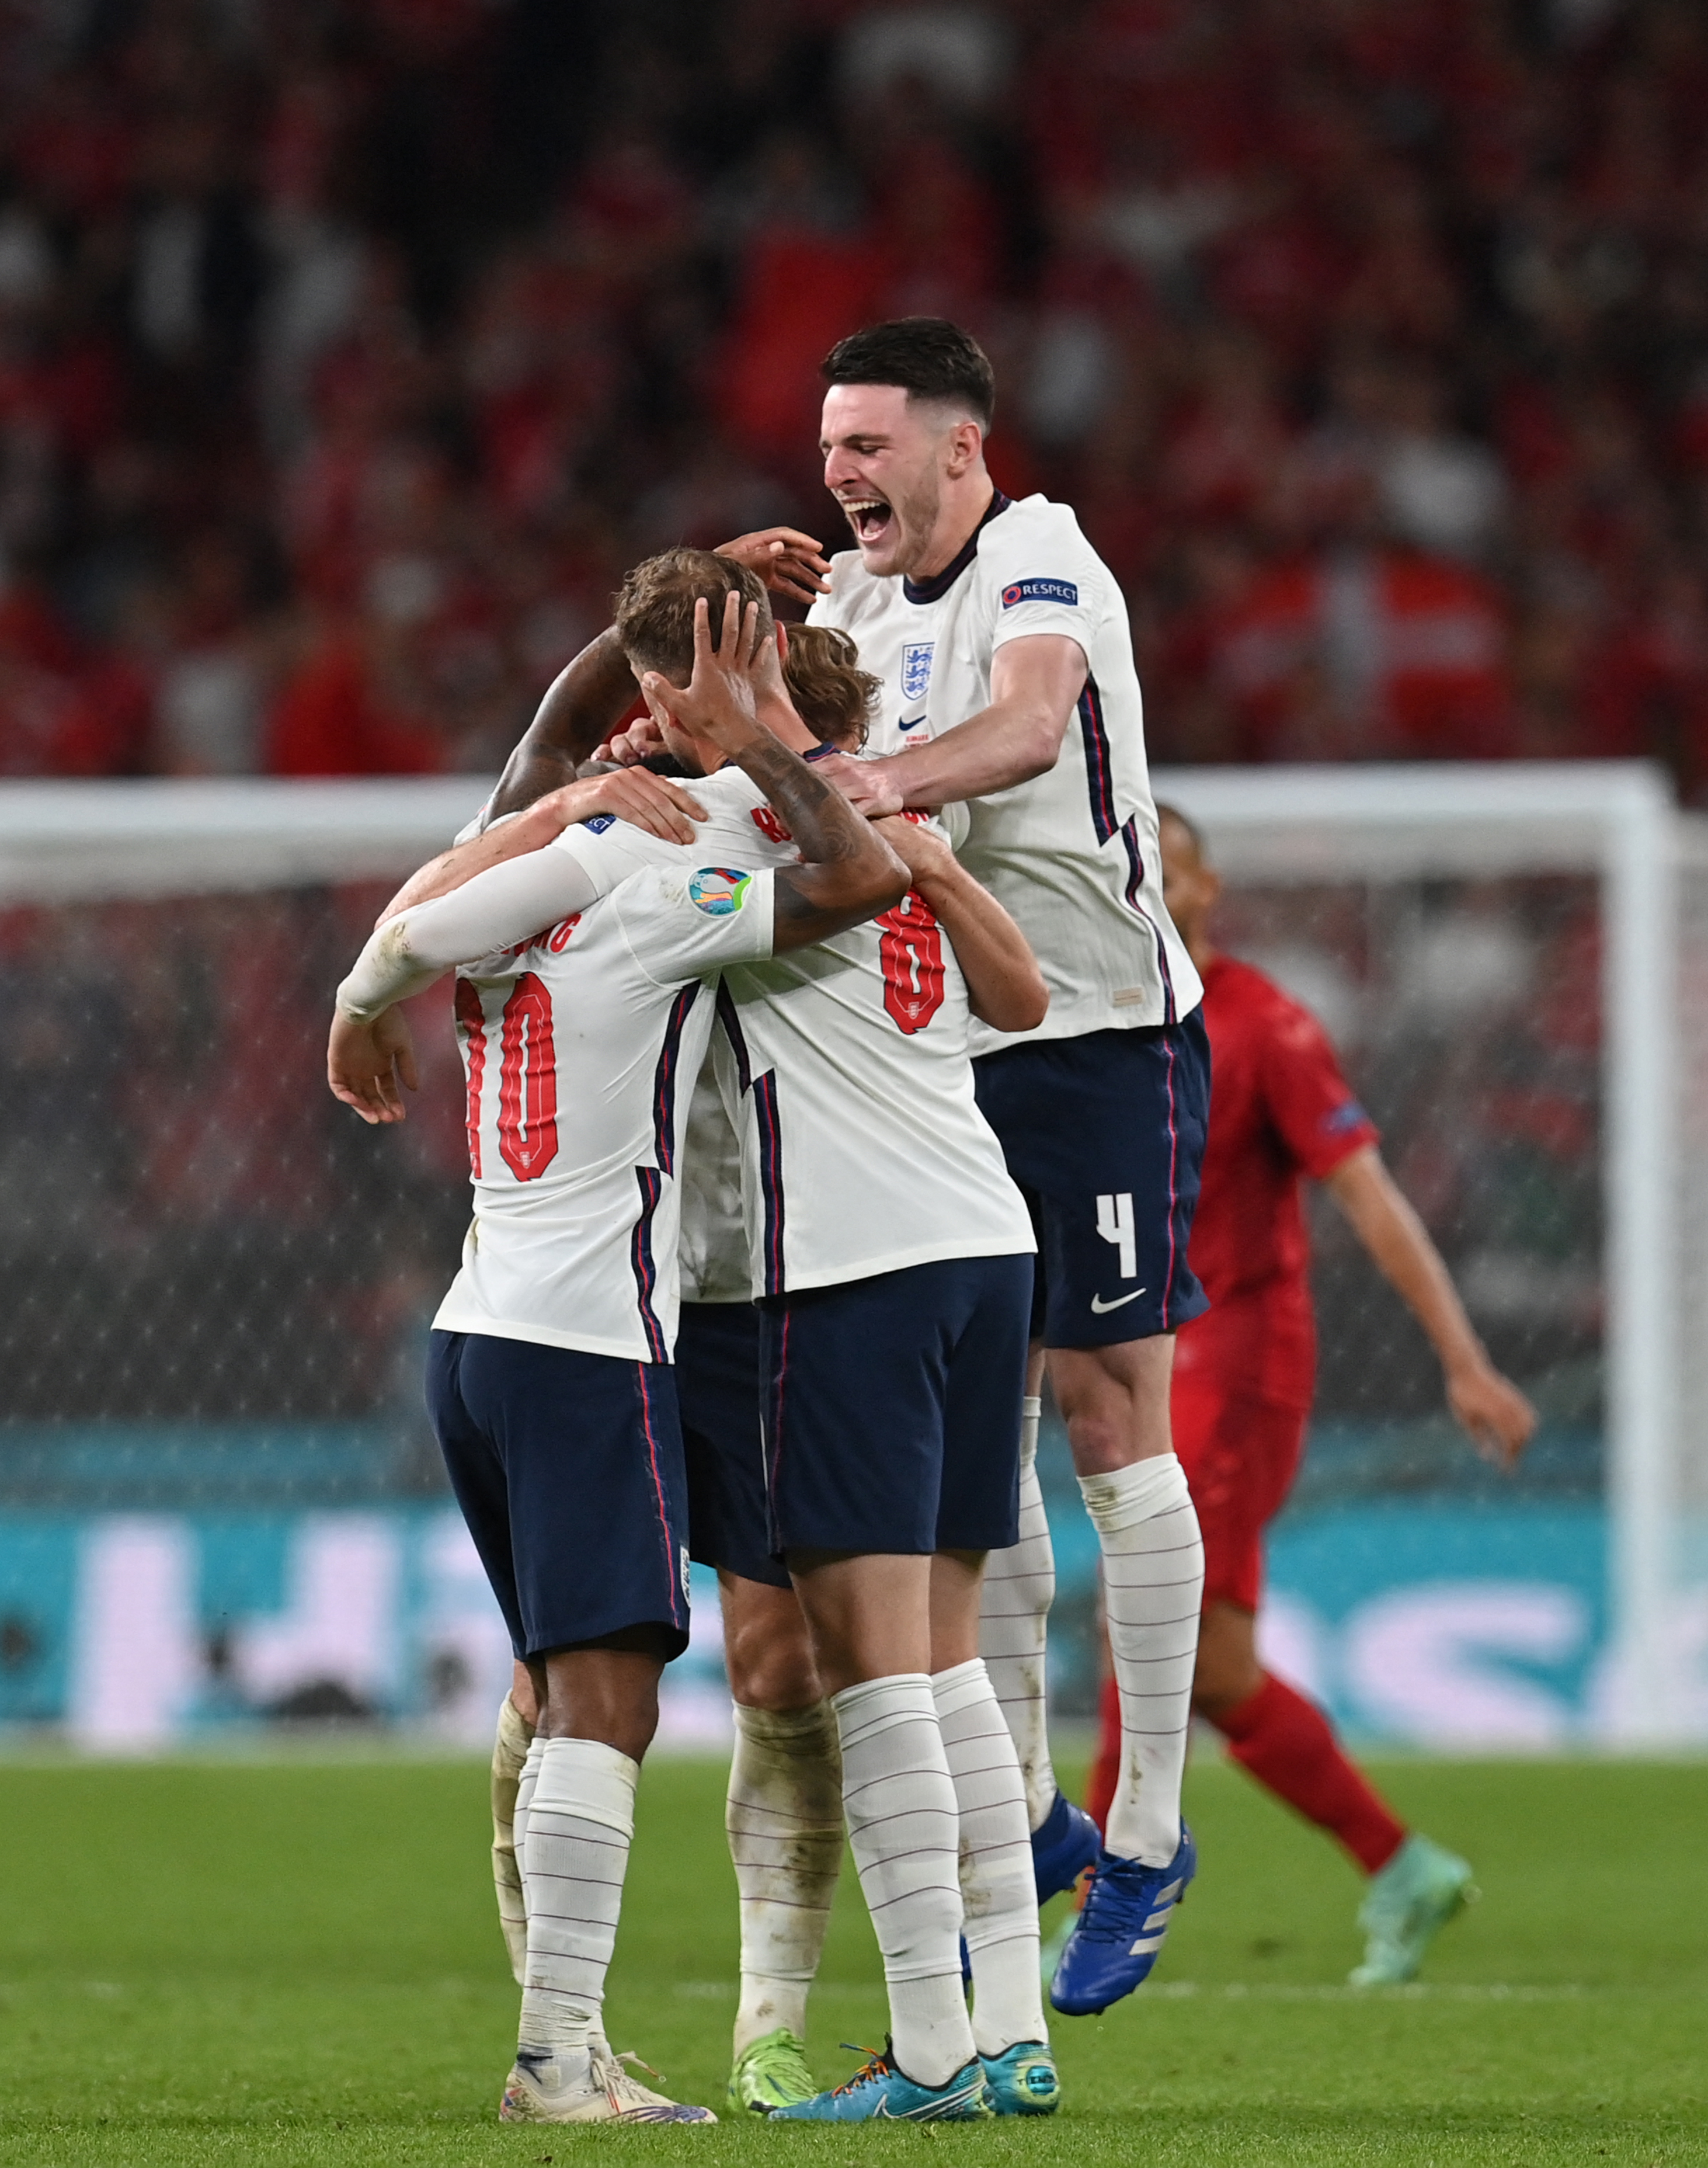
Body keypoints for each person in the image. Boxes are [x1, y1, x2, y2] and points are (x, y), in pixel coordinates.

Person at [326, 580, 907, 2125]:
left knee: (562, 1687)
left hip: (475, 1338)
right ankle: (554, 2058)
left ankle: (562, 2043)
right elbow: (858, 877)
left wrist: (357, 1001)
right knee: (609, 1704)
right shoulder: (673, 877)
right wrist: (755, 727)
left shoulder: (559, 858)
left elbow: (418, 920)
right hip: (596, 1346)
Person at [547, 575, 1059, 2121]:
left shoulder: (761, 835)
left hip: (851, 1270)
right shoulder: (922, 837)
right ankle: (1016, 2021)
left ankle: (927, 2055)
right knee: (951, 1658)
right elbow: (1024, 999)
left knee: (872, 1669)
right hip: (988, 1247)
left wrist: (726, 740)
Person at [777, 317, 1212, 2014]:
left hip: (1099, 1039)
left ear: (964, 450)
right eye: (828, 450)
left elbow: (1029, 731)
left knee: (1113, 1415)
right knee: (988, 1427)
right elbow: (763, 732)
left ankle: (1153, 1832)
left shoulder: (1046, 562)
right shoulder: (847, 605)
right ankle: (1032, 1818)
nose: (841, 477)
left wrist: (875, 780)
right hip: (945, 1053)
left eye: (869, 446)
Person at [1083, 805, 1534, 1985]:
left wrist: (1463, 1355)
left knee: (1147, 1620)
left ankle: (1090, 1900)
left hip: (1234, 1357)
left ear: (1207, 885)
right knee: (1214, 1665)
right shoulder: (1089, 1007)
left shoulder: (1267, 1024)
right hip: (1141, 1352)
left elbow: (1370, 1195)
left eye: (1171, 871)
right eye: (1131, 868)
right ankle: (1403, 1863)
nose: (1154, 889)